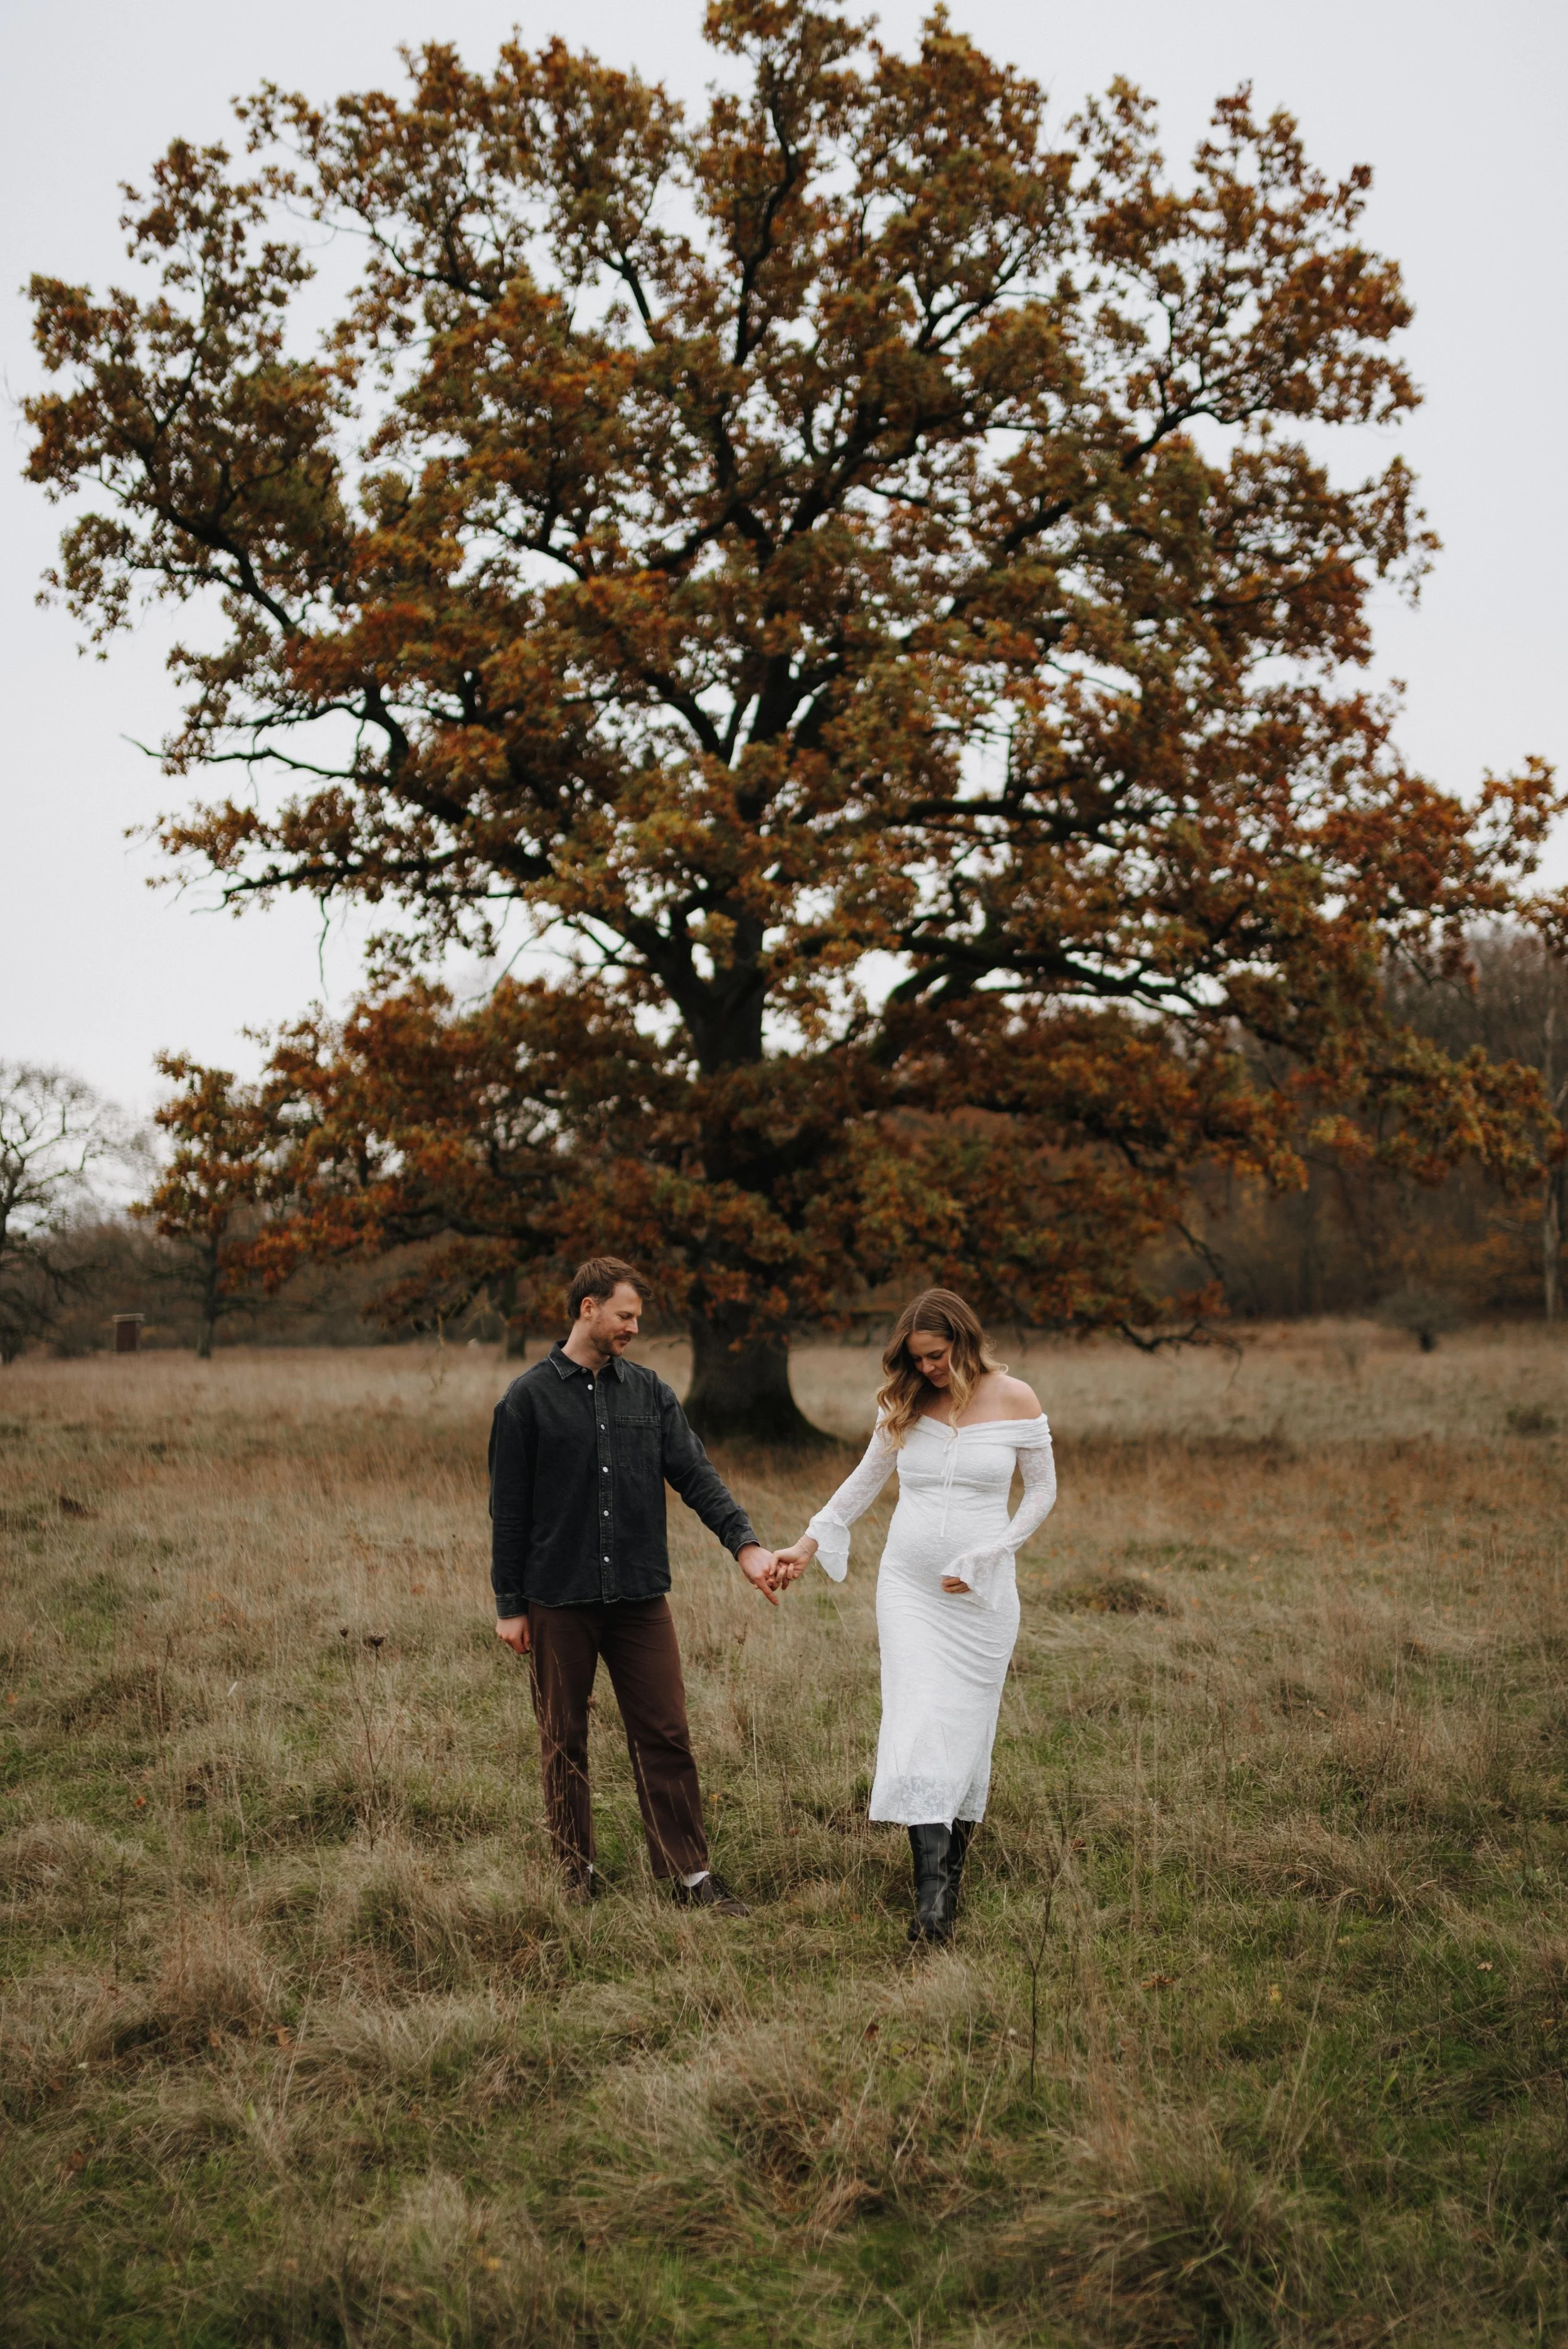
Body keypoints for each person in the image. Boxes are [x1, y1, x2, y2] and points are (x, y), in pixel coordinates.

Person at [490, 1256, 778, 1911]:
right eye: (625, 1315)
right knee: (562, 1737)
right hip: (557, 1597)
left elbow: (696, 1475)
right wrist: (511, 1605)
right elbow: (508, 1512)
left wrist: (746, 1545)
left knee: (666, 1732)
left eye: (638, 1317)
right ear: (587, 1308)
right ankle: (574, 1872)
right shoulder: (525, 1400)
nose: (634, 1328)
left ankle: (689, 1876)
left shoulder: (649, 1392)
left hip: (640, 1596)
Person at [772, 1290, 1056, 1944]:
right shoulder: (902, 1402)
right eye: (916, 1358)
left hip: (981, 1597)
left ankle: (949, 1876)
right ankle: (932, 1902)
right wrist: (807, 1542)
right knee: (919, 1716)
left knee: (964, 1729)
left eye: (936, 1354)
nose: (927, 1368)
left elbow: (1042, 1488)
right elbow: (864, 1481)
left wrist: (995, 1551)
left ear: (963, 1337)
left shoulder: (1017, 1398)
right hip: (910, 1590)